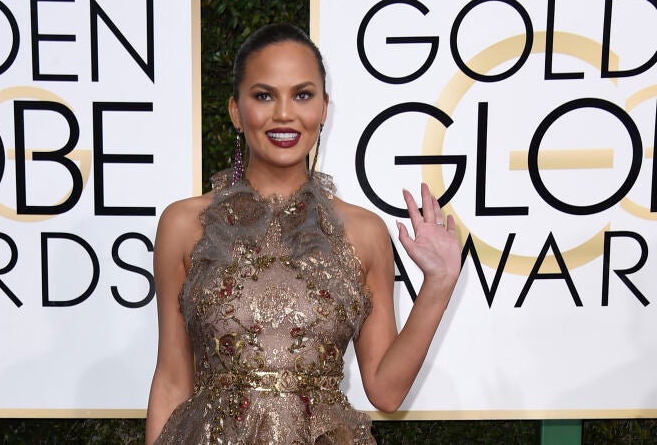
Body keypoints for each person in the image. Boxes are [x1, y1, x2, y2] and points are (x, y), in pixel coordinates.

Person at [145, 24, 461, 444]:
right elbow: (171, 380)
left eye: (302, 95)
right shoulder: (184, 225)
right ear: (236, 111)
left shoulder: (364, 233)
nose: (284, 114)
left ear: (324, 108)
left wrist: (439, 282)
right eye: (264, 96)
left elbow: (386, 391)